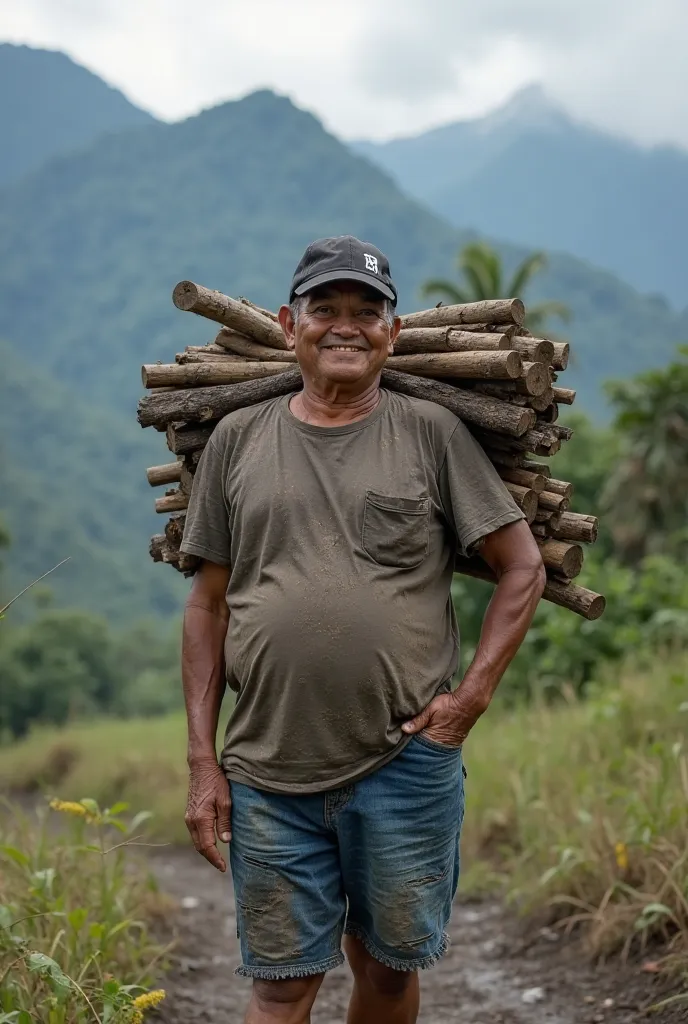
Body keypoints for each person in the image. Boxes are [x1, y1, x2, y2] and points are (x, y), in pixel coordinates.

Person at [179, 235, 546, 1024]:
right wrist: (202, 762)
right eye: (325, 309)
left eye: (366, 311)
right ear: (288, 324)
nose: (345, 325)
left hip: (404, 764)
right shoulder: (239, 439)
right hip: (268, 770)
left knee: (383, 970)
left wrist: (470, 701)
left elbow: (523, 567)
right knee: (280, 985)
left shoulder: (431, 434)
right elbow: (206, 604)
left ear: (394, 331)